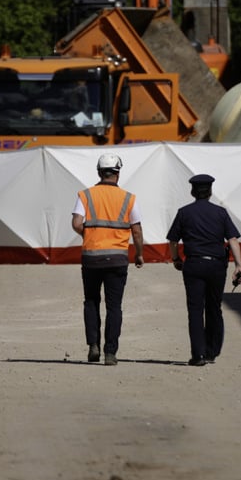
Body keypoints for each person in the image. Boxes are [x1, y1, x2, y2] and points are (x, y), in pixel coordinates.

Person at [71, 153, 144, 366]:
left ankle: (93, 345)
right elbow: (137, 231)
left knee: (91, 301)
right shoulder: (129, 198)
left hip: (91, 258)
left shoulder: (85, 195)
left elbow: (76, 222)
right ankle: (110, 353)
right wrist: (138, 254)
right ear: (118, 173)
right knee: (114, 307)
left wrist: (90, 235)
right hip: (118, 259)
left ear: (99, 172)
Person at [166, 174, 241, 366]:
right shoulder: (221, 213)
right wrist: (238, 266)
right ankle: (212, 352)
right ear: (210, 191)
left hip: (193, 264)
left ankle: (198, 355)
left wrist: (176, 258)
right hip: (217, 265)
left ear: (193, 191)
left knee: (195, 310)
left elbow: (173, 240)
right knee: (214, 308)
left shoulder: (184, 212)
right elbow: (232, 239)